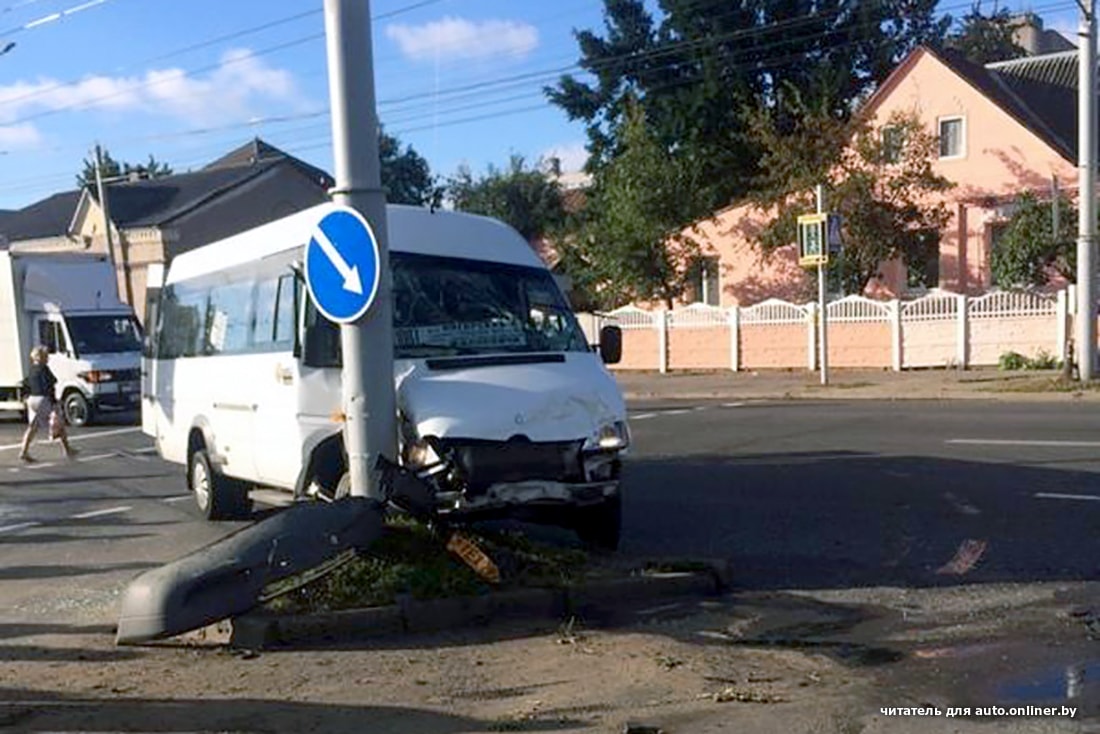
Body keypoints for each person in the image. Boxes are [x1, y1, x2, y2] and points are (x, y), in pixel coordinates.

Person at [19, 345, 76, 462]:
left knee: (32, 427)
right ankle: (67, 449)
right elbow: (50, 384)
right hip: (43, 399)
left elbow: (25, 384)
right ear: (42, 357)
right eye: (46, 356)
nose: (48, 358)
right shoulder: (44, 369)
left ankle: (24, 451)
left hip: (32, 399)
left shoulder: (32, 369)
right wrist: (54, 402)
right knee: (59, 423)